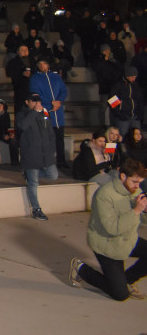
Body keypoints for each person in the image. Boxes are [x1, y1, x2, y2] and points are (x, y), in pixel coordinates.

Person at [69, 158, 147, 301]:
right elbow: (112, 228)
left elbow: (141, 221)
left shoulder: (135, 190)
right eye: (135, 182)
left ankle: (126, 280)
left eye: (140, 182)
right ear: (123, 176)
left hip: (127, 239)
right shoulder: (104, 195)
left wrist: (145, 211)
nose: (137, 186)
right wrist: (136, 210)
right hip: (107, 244)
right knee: (120, 295)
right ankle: (81, 269)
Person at [16, 93, 57, 221]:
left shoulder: (43, 114)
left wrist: (52, 149)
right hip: (31, 154)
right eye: (33, 101)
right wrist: (34, 112)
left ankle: (28, 175)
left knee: (53, 175)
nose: (36, 104)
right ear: (27, 102)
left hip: (45, 153)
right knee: (33, 183)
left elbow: (50, 132)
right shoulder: (22, 114)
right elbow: (22, 125)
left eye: (38, 101)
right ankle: (36, 209)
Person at [28, 56, 69, 169]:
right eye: (40, 64)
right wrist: (51, 103)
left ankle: (61, 161)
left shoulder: (56, 77)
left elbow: (63, 90)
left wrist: (58, 101)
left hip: (58, 112)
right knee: (46, 138)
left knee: (59, 138)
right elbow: (36, 94)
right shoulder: (35, 78)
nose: (42, 66)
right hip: (46, 111)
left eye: (44, 63)